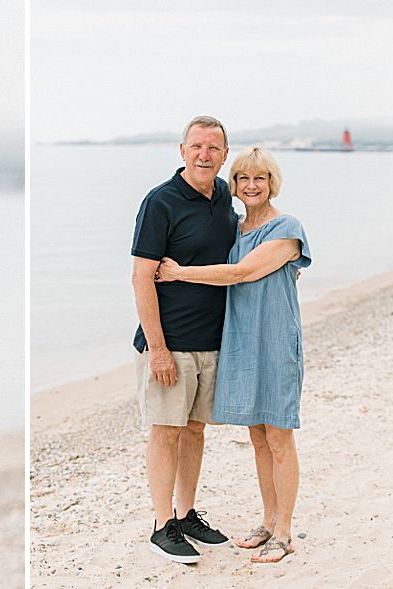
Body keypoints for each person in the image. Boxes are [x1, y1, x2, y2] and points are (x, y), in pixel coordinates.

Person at [156, 146, 310, 564]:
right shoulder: (237, 228)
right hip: (243, 342)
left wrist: (178, 271)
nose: (252, 185)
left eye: (260, 178)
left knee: (278, 436)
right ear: (234, 184)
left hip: (276, 343)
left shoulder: (286, 227)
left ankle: (284, 531)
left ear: (271, 182)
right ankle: (268, 519)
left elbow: (241, 274)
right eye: (244, 178)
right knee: (258, 437)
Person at [129, 115, 236, 564]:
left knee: (194, 430)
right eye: (196, 146)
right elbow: (140, 279)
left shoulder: (226, 197)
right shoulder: (160, 202)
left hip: (212, 341)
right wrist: (158, 350)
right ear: (182, 151)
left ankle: (187, 512)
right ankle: (161, 525)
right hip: (169, 344)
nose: (204, 154)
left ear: (225, 155)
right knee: (166, 430)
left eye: (213, 148)